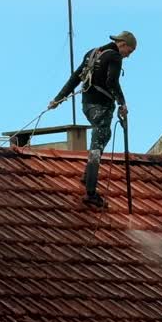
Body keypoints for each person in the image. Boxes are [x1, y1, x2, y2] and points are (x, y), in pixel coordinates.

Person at [49, 31, 137, 208]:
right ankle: (90, 192)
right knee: (96, 147)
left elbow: (75, 77)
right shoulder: (114, 57)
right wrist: (122, 103)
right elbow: (112, 82)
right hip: (101, 107)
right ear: (123, 44)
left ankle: (87, 175)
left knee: (104, 135)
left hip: (87, 106)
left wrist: (58, 99)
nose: (128, 56)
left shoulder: (92, 53)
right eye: (130, 51)